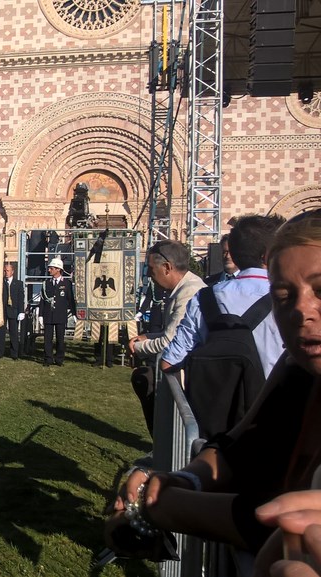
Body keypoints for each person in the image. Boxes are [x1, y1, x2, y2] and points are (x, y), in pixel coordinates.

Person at [103, 210, 321, 567]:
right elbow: (241, 444)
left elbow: (278, 520)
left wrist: (160, 506)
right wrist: (185, 479)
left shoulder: (204, 298)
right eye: (283, 295)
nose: (302, 311)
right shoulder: (295, 368)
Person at [161, 214, 286, 378]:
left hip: (219, 400)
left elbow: (169, 361)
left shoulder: (204, 298)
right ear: (268, 254)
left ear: (233, 253)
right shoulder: (290, 297)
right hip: (275, 396)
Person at [126, 240, 207, 435]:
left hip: (189, 372)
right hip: (182, 366)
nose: (148, 275)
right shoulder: (183, 288)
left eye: (152, 270)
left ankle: (161, 442)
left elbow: (170, 340)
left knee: (144, 379)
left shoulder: (189, 293)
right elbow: (172, 331)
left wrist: (137, 347)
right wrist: (146, 336)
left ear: (167, 268)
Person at [39, 257, 76, 367]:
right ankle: (48, 359)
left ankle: (59, 359)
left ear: (58, 269)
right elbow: (42, 300)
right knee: (47, 339)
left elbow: (70, 299)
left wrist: (74, 313)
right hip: (48, 315)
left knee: (60, 339)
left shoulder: (67, 283)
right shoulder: (46, 283)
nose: (49, 270)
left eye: (51, 268)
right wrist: (41, 314)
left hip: (60, 315)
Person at [0, 262, 26, 360]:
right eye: (4, 271)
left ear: (12, 271)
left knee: (14, 332)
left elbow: (21, 298)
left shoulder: (18, 283)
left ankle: (14, 353)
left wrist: (21, 311)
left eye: (7, 271)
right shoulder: (0, 283)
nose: (6, 273)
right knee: (0, 332)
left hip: (13, 310)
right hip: (2, 310)